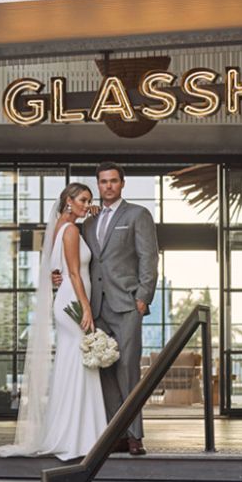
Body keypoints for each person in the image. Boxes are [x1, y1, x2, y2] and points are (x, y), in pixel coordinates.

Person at [0, 183, 107, 460]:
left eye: (89, 200)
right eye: (82, 199)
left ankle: (78, 432)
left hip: (67, 298)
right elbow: (73, 273)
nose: (86, 204)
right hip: (73, 302)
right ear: (68, 200)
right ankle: (77, 435)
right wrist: (86, 308)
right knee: (79, 364)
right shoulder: (69, 230)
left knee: (74, 365)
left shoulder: (60, 227)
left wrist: (93, 212)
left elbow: (54, 271)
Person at [81, 162, 159, 456]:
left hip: (127, 305)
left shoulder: (138, 214)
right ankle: (116, 435)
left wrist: (144, 296)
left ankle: (135, 436)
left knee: (127, 370)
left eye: (114, 181)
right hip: (97, 307)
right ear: (98, 185)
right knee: (104, 372)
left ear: (122, 184)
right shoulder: (89, 222)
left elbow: (148, 257)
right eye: (103, 182)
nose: (108, 186)